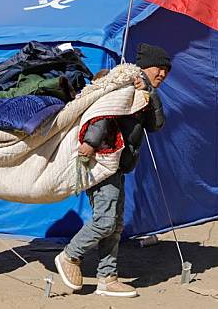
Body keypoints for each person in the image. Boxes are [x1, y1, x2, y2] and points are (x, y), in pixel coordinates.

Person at [54, 43, 171, 298]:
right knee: (105, 221)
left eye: (166, 71)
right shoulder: (125, 83)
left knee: (115, 225)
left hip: (117, 164)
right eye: (158, 68)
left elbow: (156, 124)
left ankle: (107, 278)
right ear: (145, 66)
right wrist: (91, 143)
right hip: (100, 160)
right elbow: (104, 111)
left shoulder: (144, 92)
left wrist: (150, 92)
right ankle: (69, 256)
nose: (162, 74)